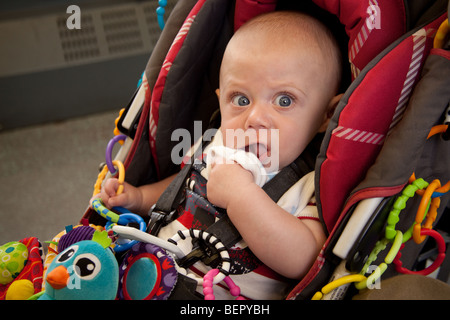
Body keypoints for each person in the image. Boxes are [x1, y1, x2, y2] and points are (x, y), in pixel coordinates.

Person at [93, 11, 342, 299]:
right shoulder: (216, 145)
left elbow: (304, 260)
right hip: (146, 272)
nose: (256, 118)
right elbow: (180, 189)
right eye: (241, 99)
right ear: (220, 99)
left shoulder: (311, 186)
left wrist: (241, 196)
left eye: (284, 100)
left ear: (327, 114)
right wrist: (137, 198)